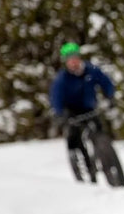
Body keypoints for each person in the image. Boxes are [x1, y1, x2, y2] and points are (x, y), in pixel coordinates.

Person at [49, 42, 116, 175]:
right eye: (70, 59)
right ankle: (81, 164)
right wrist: (59, 114)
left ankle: (107, 157)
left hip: (89, 108)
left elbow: (106, 82)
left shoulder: (91, 70)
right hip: (72, 111)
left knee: (100, 132)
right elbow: (56, 98)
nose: (73, 62)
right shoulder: (61, 79)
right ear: (66, 62)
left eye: (75, 58)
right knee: (74, 137)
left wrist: (110, 96)